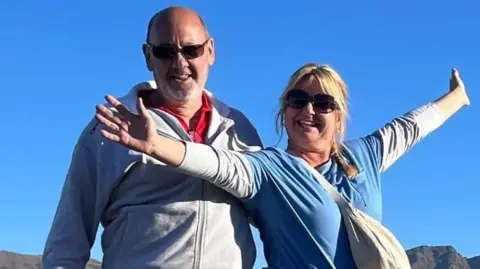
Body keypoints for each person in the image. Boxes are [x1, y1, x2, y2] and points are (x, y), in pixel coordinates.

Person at [94, 63, 470, 269]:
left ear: (339, 118)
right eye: (298, 99)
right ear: (284, 109)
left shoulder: (365, 155)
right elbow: (216, 164)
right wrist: (157, 144)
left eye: (323, 103)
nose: (308, 110)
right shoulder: (268, 170)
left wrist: (457, 98)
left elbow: (412, 127)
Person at [42, 6, 262, 269]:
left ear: (211, 51)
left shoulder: (238, 127)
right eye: (165, 52)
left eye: (192, 50)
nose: (180, 63)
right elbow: (69, 234)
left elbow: (271, 215)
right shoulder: (112, 126)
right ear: (148, 56)